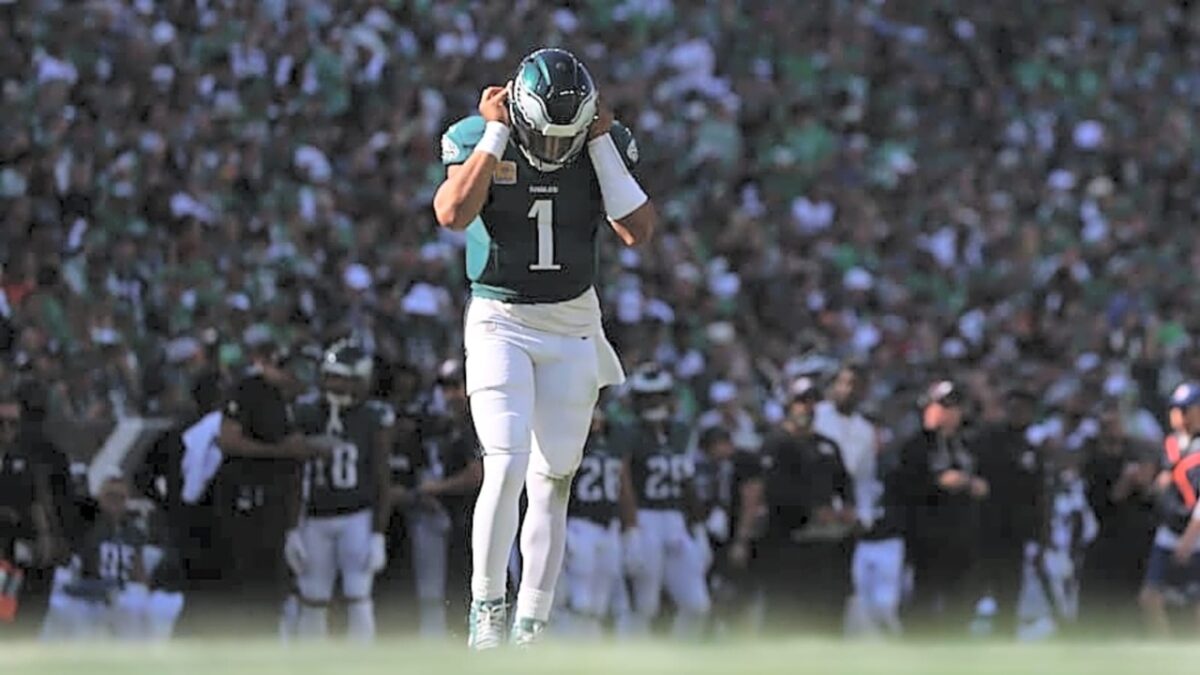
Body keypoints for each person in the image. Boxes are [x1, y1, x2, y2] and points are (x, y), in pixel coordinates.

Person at [433, 46, 658, 648]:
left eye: (569, 137)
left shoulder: (601, 141)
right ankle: (487, 609)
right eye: (545, 135)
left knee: (554, 477)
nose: (556, 149)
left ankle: (532, 622)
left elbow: (637, 231)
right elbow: (452, 214)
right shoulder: (480, 133)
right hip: (501, 317)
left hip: (573, 322)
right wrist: (496, 137)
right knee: (504, 463)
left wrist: (601, 144)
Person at [214, 338, 325, 633]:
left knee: (277, 586)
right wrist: (280, 451)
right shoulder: (249, 390)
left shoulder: (291, 403)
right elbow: (228, 440)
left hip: (277, 501)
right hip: (245, 500)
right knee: (250, 583)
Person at [288, 340, 394, 641]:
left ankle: (363, 662)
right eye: (330, 376)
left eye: (343, 378)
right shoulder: (307, 412)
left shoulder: (373, 416)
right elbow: (294, 474)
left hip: (356, 516)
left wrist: (378, 534)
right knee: (313, 596)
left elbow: (382, 479)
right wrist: (291, 528)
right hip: (314, 516)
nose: (334, 384)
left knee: (358, 594)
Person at [757, 376, 855, 635]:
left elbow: (844, 482)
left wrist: (848, 506)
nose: (808, 408)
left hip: (824, 541)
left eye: (812, 402)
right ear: (788, 405)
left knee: (826, 607)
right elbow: (774, 489)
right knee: (786, 608)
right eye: (801, 401)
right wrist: (810, 510)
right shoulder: (776, 443)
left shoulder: (827, 445)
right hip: (787, 539)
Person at [619, 363, 711, 638]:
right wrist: (631, 529)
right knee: (645, 605)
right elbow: (624, 482)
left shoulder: (680, 432)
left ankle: (684, 656)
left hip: (676, 519)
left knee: (697, 604)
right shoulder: (629, 433)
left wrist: (698, 526)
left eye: (660, 395)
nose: (654, 402)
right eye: (647, 397)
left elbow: (687, 480)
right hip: (645, 518)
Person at [898, 380, 989, 635]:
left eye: (953, 407)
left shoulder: (967, 445)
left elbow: (980, 480)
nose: (948, 412)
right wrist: (940, 482)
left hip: (962, 535)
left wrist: (972, 483)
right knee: (923, 600)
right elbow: (908, 485)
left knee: (960, 600)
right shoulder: (916, 446)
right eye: (942, 405)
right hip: (926, 537)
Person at [404, 359, 483, 638]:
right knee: (455, 596)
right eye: (446, 388)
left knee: (478, 594)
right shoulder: (454, 426)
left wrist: (436, 489)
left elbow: (476, 475)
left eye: (456, 387)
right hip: (460, 520)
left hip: (480, 522)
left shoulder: (478, 422)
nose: (451, 395)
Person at [973, 388, 1047, 637]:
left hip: (1016, 533)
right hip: (985, 528)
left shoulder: (1032, 448)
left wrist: (1040, 536)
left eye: (1024, 410)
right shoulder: (987, 440)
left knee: (1009, 592)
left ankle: (1004, 638)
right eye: (1014, 409)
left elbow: (1039, 496)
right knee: (974, 589)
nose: (1019, 414)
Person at [1080, 399, 1158, 633]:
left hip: (1141, 539)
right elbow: (1104, 504)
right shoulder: (1095, 463)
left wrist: (1144, 482)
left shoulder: (1137, 453)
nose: (1114, 430)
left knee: (1138, 599)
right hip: (1110, 539)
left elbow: (1151, 496)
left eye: (1117, 424)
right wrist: (1125, 481)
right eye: (1108, 425)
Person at [557, 406, 634, 638]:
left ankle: (592, 643)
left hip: (609, 526)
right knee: (580, 596)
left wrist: (631, 527)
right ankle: (569, 642)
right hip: (580, 524)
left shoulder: (613, 446)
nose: (595, 423)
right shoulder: (571, 446)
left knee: (601, 597)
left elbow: (623, 488)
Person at [1139, 382, 1200, 637]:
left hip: (1195, 533)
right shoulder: (1172, 443)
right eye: (1176, 409)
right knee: (1150, 596)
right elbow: (1166, 477)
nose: (1178, 415)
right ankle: (1164, 647)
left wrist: (1189, 538)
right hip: (1169, 529)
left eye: (1185, 409)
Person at [0, 388, 54, 627]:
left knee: (10, 609)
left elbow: (34, 500)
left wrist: (44, 535)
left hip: (14, 546)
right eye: (1, 422)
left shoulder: (21, 460)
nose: (6, 429)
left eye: (12, 423)